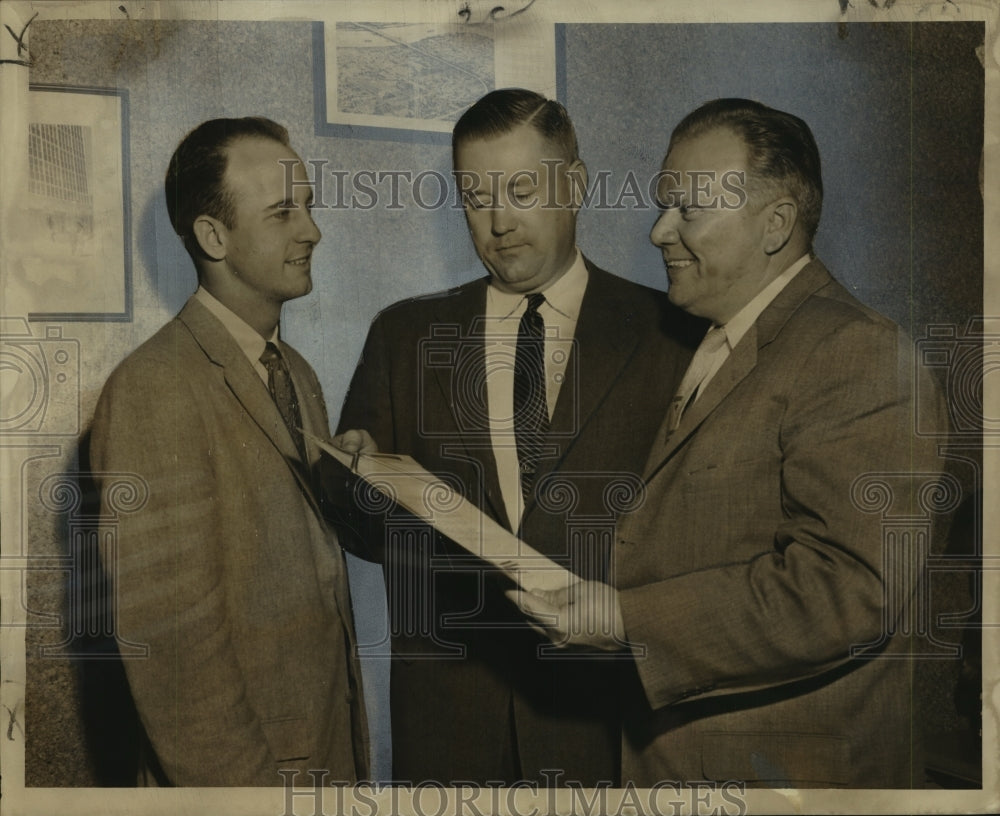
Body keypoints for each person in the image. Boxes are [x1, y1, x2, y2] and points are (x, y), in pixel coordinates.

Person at [511, 98, 953, 787]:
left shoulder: (859, 353)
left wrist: (626, 618)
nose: (658, 232)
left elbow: (848, 591)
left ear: (775, 224)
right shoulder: (707, 341)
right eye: (663, 205)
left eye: (689, 209)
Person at [334, 88, 698, 786]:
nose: (498, 221)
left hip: (609, 726)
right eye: (475, 197)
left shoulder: (671, 333)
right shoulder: (404, 335)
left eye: (521, 189)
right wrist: (354, 480)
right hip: (449, 731)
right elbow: (360, 531)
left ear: (578, 184)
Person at [90, 117, 368, 786]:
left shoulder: (294, 372)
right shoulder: (152, 387)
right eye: (282, 212)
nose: (312, 230)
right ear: (213, 236)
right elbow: (175, 657)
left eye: (307, 206)